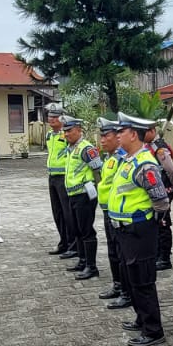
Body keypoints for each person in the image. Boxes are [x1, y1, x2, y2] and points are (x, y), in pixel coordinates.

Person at [114, 114, 172, 346]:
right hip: (126, 229)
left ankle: (153, 330)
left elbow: (161, 200)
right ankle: (142, 318)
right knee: (133, 279)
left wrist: (150, 225)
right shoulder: (128, 159)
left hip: (139, 230)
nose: (118, 135)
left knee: (143, 281)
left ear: (133, 135)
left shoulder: (145, 163)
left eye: (122, 132)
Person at [60, 116, 102, 280]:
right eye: (65, 131)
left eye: (69, 131)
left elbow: (98, 171)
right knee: (76, 229)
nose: (66, 134)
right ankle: (82, 261)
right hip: (73, 194)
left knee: (86, 230)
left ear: (79, 130)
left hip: (85, 195)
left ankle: (91, 266)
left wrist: (99, 192)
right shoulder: (71, 148)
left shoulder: (87, 149)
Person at [96, 118, 132, 308]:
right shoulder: (109, 158)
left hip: (119, 214)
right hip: (107, 211)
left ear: (117, 137)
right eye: (101, 136)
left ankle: (126, 292)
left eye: (106, 136)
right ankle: (118, 285)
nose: (102, 140)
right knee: (112, 252)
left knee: (121, 252)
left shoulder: (121, 159)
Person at [143, 122, 173, 271]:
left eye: (145, 132)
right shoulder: (149, 146)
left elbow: (171, 170)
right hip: (156, 190)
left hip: (164, 189)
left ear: (152, 131)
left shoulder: (159, 148)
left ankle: (165, 258)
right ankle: (158, 253)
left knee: (163, 222)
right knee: (156, 222)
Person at [44, 107, 73, 256]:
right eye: (50, 117)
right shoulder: (49, 135)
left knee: (67, 212)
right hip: (52, 176)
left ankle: (72, 245)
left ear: (62, 118)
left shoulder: (66, 134)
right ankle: (63, 242)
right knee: (57, 212)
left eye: (55, 117)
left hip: (63, 176)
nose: (52, 120)